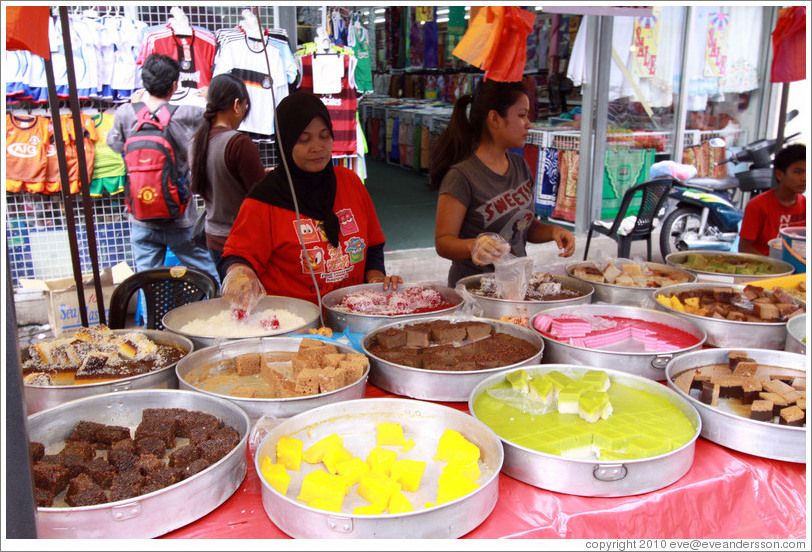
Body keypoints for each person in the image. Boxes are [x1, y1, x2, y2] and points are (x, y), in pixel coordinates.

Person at [219, 91, 402, 312]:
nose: (317, 147)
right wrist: (241, 274)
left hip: (353, 316)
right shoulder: (264, 200)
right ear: (285, 142)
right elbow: (238, 257)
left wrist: (376, 279)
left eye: (324, 136)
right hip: (292, 324)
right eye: (304, 139)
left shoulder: (350, 182)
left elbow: (372, 246)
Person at [429, 79, 576, 287]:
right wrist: (475, 245)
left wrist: (553, 232)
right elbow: (443, 242)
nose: (528, 124)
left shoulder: (520, 166)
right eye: (522, 115)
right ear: (495, 119)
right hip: (473, 290)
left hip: (513, 287)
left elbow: (524, 225)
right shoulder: (462, 176)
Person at [107, 54, 219, 282]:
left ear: (144, 81)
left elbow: (115, 144)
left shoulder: (125, 113)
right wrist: (210, 98)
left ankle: (151, 319)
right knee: (210, 276)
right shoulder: (187, 113)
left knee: (147, 283)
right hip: (178, 217)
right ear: (174, 85)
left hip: (140, 216)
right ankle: (224, 314)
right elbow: (217, 119)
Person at [188, 73, 267, 267]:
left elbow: (222, 178)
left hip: (213, 237)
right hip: (242, 242)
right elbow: (261, 196)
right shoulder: (238, 143)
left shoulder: (195, 142)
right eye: (245, 106)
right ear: (237, 104)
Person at [738, 143, 806, 256]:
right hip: (765, 268)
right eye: (798, 172)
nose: (805, 178)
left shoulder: (805, 204)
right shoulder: (758, 205)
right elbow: (744, 248)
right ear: (779, 174)